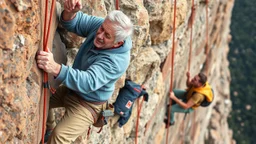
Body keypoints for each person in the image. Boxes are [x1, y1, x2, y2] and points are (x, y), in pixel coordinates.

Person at [36, 0, 133, 143]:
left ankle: (51, 134)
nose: (100, 35)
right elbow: (75, 22)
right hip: (72, 90)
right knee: (43, 97)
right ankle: (47, 129)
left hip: (88, 104)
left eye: (107, 36)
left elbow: (88, 81)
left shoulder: (116, 61)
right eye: (101, 29)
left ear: (118, 43)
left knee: (60, 136)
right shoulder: (105, 27)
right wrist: (71, 12)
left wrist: (55, 68)